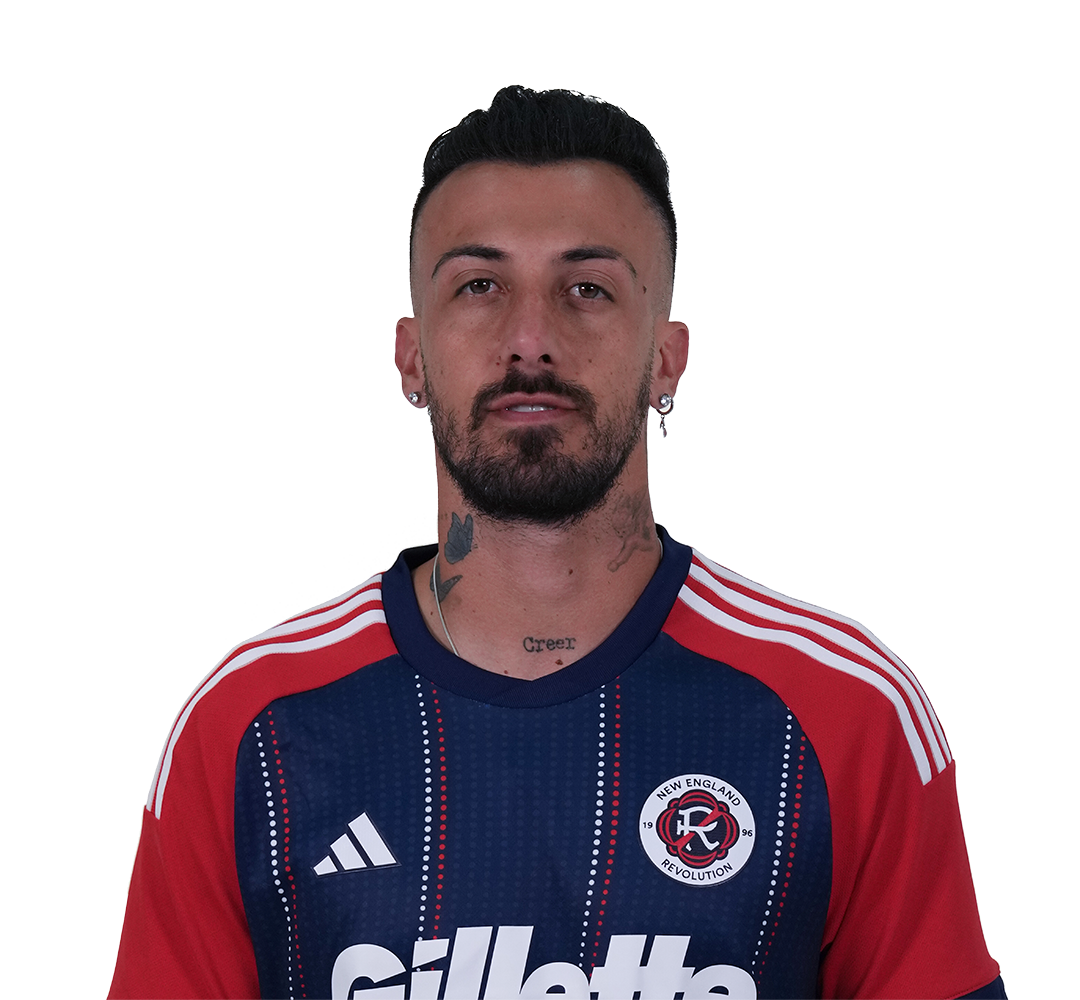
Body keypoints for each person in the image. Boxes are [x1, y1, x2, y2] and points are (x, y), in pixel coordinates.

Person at [109, 86, 1005, 1000]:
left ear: (665, 357)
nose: (530, 339)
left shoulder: (844, 714)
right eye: (479, 286)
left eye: (587, 289)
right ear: (412, 357)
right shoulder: (251, 732)